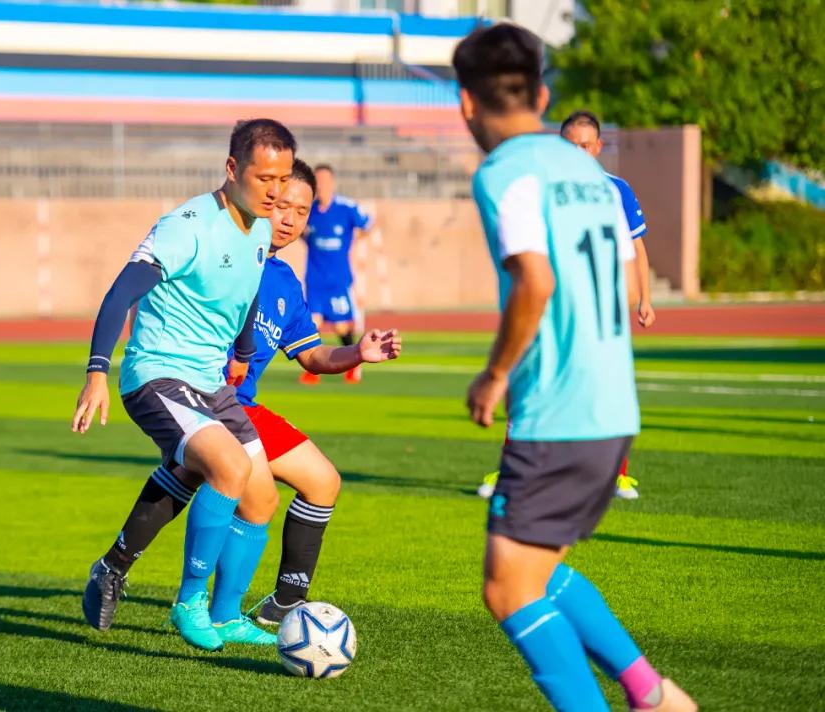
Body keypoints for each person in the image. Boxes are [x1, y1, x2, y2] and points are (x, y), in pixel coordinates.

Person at [454, 23, 695, 712]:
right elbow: (620, 273)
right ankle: (652, 694)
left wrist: (495, 373)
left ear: (466, 104)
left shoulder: (504, 172)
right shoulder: (588, 172)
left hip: (558, 408)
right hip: (612, 404)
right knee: (541, 570)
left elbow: (534, 281)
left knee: (508, 588)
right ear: (543, 92)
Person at [77, 160, 402, 648]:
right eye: (282, 203)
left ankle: (128, 570)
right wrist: (100, 368)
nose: (289, 218)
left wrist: (358, 352)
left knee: (211, 477)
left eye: (302, 210)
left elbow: (311, 355)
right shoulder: (216, 242)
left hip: (231, 403)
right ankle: (208, 603)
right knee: (247, 480)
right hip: (193, 391)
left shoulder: (285, 281)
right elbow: (142, 289)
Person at [73, 118, 294, 653]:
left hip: (210, 379)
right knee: (228, 467)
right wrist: (97, 371)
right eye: (265, 178)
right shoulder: (185, 225)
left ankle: (223, 614)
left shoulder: (262, 228)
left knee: (262, 498)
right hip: (157, 374)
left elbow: (245, 294)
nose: (276, 192)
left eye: (283, 179)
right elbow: (120, 293)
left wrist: (243, 353)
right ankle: (188, 604)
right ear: (232, 169)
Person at [479, 111, 654, 502]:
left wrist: (644, 298)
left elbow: (635, 248)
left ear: (598, 147)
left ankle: (616, 475)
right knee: (530, 387)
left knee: (605, 388)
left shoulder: (614, 190)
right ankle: (512, 469)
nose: (576, 152)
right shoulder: (539, 187)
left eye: (584, 146)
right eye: (569, 144)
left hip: (597, 311)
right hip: (551, 309)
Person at [299, 163, 375, 385]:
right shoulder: (309, 210)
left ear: (332, 183)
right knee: (313, 323)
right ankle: (312, 369)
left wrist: (353, 241)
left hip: (338, 278)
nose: (321, 186)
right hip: (314, 278)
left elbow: (368, 224)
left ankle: (353, 364)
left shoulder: (345, 208)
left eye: (324, 181)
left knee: (342, 326)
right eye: (318, 181)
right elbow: (301, 233)